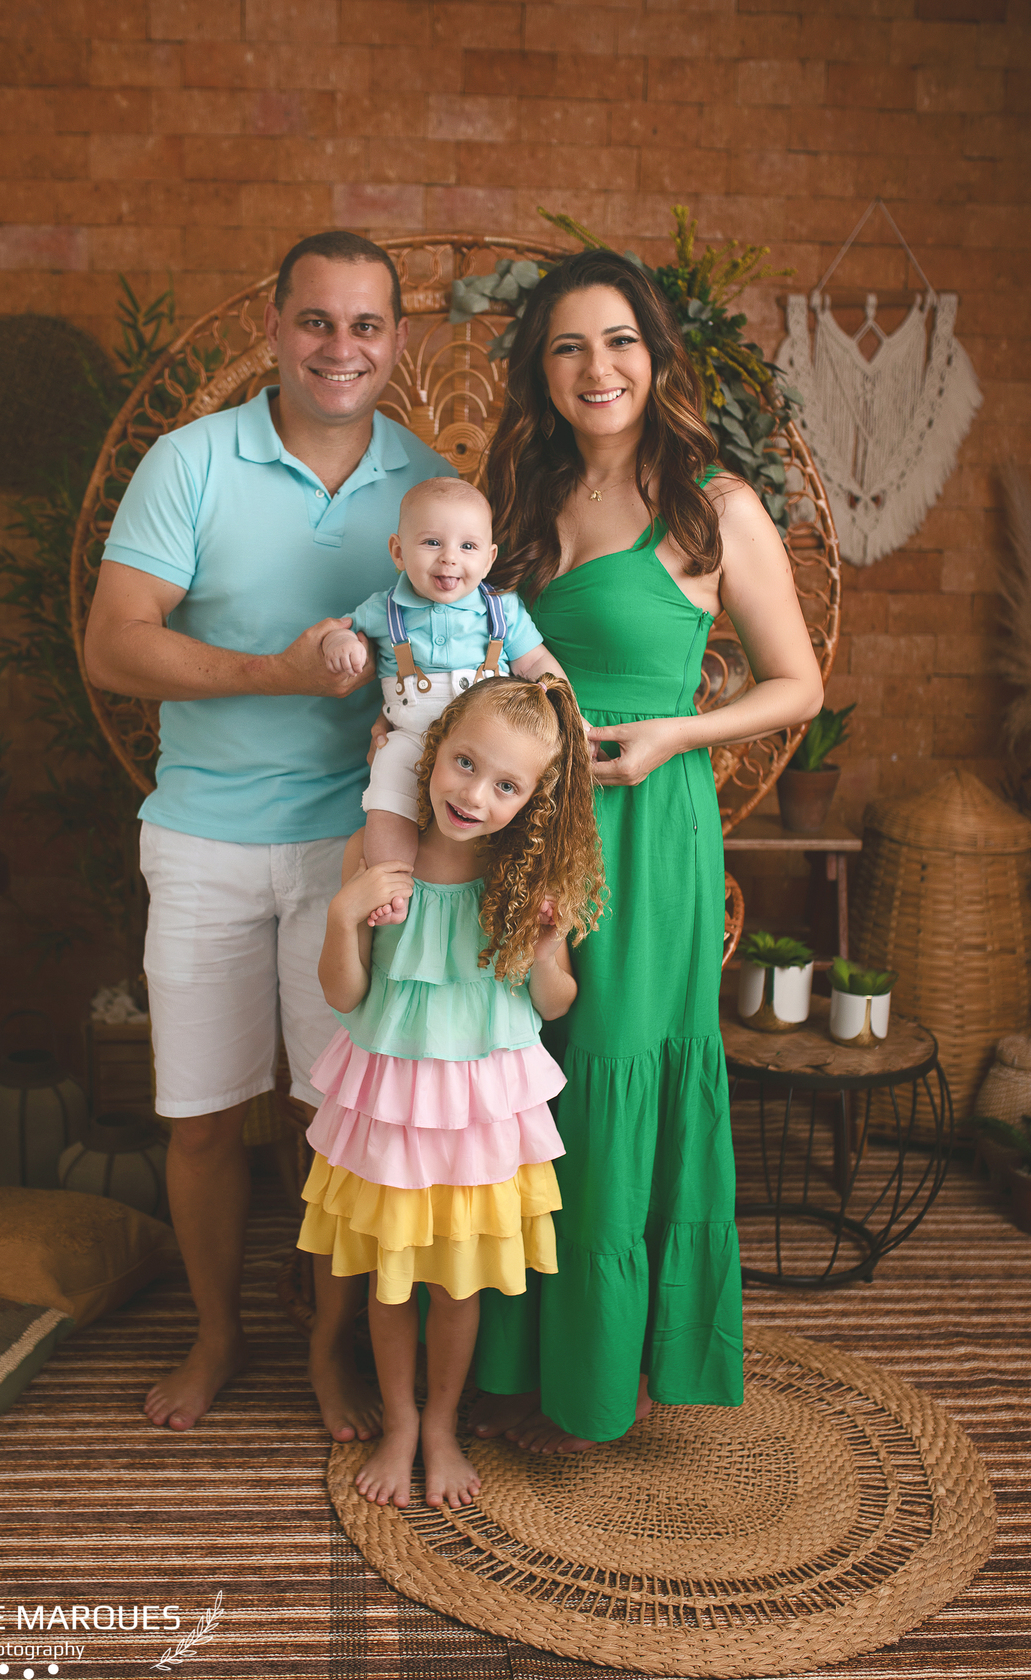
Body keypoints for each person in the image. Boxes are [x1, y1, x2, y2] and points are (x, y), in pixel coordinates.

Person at [82, 231, 455, 1436]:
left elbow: (480, 655)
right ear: (274, 328)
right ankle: (218, 1333)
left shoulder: (431, 487)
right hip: (202, 839)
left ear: (397, 340)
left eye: (366, 325)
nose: (340, 348)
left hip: (360, 849)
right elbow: (114, 643)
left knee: (331, 1125)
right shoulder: (190, 461)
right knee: (201, 1118)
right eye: (316, 321)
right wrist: (277, 674)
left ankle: (325, 1348)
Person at [468, 247, 825, 1452]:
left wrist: (678, 732)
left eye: (618, 340)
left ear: (655, 355)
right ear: (542, 370)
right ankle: (517, 1357)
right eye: (568, 346)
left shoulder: (713, 507)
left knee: (613, 1071)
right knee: (524, 1076)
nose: (597, 366)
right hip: (527, 826)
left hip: (646, 827)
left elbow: (796, 684)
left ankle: (604, 1376)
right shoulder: (522, 497)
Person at [298, 675, 605, 1508]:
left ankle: (440, 1426)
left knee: (457, 1285)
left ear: (533, 800)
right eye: (465, 764)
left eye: (506, 785)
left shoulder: (523, 879)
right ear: (433, 753)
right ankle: (399, 1424)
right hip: (393, 1106)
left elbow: (554, 1006)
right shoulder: (378, 859)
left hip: (478, 1115)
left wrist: (547, 946)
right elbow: (345, 996)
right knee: (392, 1279)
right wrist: (342, 917)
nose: (474, 795)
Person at [321, 476, 566, 925]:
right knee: (388, 792)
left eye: (468, 546)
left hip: (488, 741)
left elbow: (535, 661)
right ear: (398, 552)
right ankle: (390, 885)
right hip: (412, 734)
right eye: (432, 542)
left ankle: (537, 885)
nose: (450, 557)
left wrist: (566, 712)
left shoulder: (501, 608)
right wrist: (341, 643)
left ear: (489, 558)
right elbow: (339, 630)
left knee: (529, 793)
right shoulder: (382, 609)